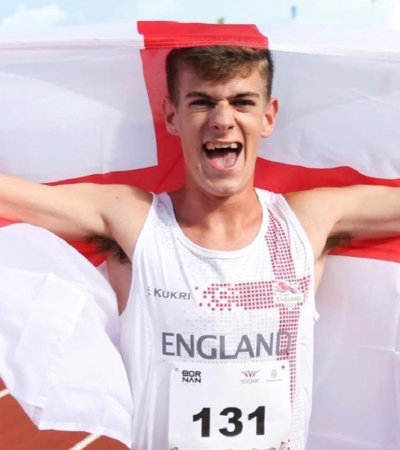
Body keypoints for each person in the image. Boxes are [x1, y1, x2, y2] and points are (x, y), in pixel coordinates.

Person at [0, 41, 399, 450]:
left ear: (268, 116)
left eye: (242, 102)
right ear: (172, 116)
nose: (222, 120)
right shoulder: (134, 220)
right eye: (202, 103)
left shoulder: (306, 223)